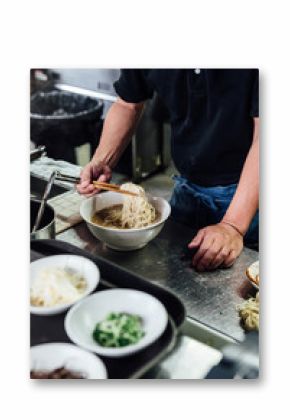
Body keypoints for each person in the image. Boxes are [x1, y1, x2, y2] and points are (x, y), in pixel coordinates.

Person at [78, 69, 259, 272]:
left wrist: (233, 226)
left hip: (249, 198)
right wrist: (102, 160)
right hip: (186, 188)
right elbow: (127, 103)